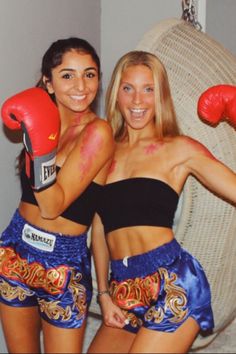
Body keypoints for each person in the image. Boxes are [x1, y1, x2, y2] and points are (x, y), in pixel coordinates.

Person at [88, 50, 236, 354]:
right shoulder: (104, 152)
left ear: (160, 96)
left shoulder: (179, 149)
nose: (137, 101)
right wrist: (103, 293)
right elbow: (100, 229)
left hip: (172, 284)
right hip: (122, 290)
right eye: (128, 88)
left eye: (148, 89)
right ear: (116, 93)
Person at [0, 37, 114, 353]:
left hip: (62, 262)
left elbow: (52, 206)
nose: (81, 85)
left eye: (90, 74)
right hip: (15, 248)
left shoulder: (98, 133)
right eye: (68, 75)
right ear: (48, 83)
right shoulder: (42, 119)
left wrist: (38, 148)